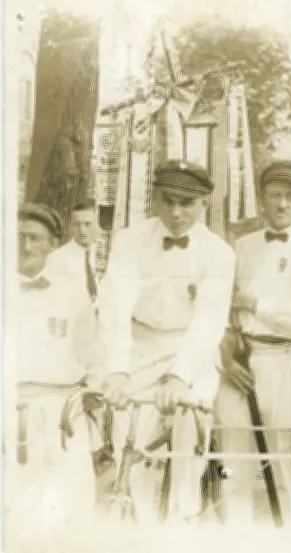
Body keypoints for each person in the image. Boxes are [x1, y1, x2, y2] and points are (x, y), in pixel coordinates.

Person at [96, 159, 236, 523]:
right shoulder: (129, 240)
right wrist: (117, 368)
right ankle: (137, 523)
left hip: (191, 350)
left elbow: (209, 320)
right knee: (131, 441)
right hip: (140, 344)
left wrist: (179, 376)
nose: (176, 213)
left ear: (204, 203)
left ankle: (182, 520)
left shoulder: (219, 253)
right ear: (155, 200)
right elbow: (116, 304)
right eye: (168, 200)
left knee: (189, 433)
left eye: (187, 203)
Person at [216, 160, 291, 527]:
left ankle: (288, 538)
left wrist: (259, 305)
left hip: (286, 361)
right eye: (275, 195)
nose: (283, 204)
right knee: (233, 462)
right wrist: (226, 354)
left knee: (284, 462)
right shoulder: (240, 247)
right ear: (262, 200)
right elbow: (220, 308)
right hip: (240, 362)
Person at [11, 203, 98, 526]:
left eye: (35, 237)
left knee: (68, 503)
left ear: (52, 243)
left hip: (63, 411)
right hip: (10, 407)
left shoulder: (73, 294)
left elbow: (93, 356)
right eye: (18, 236)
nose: (26, 246)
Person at [47, 200, 99, 304]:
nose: (82, 230)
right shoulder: (57, 258)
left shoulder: (103, 256)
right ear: (70, 226)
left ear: (96, 225)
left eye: (87, 224)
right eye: (77, 224)